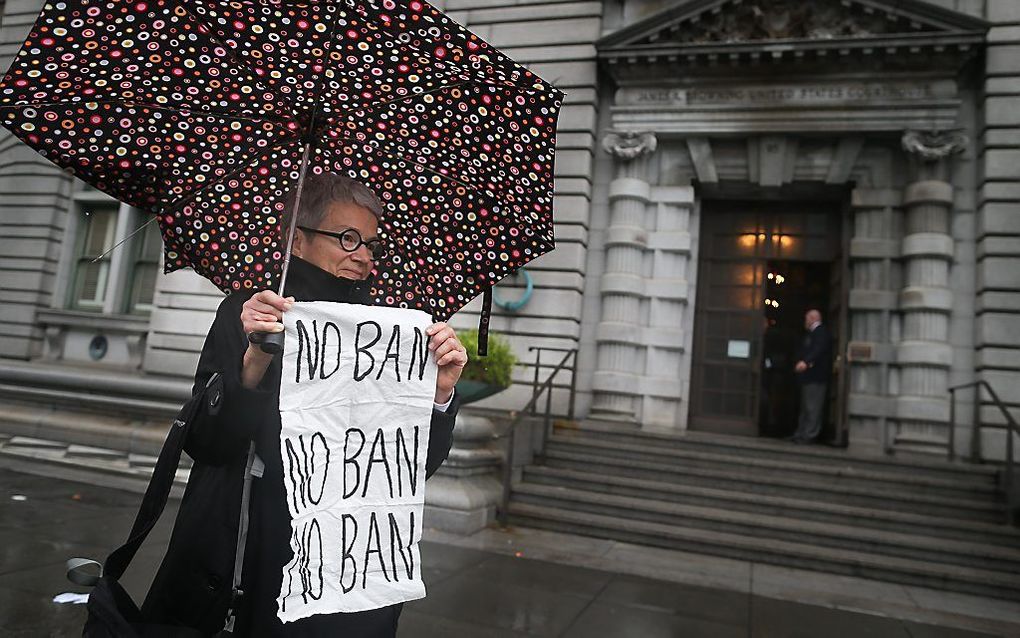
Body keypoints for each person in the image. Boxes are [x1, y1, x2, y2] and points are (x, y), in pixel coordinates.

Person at [141, 172, 468, 637]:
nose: (363, 256)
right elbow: (208, 444)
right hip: (251, 554)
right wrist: (254, 356)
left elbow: (410, 464)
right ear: (297, 239)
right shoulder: (249, 311)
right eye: (348, 238)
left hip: (346, 566)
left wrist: (438, 396)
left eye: (371, 244)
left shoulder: (388, 331)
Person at [789, 308, 831, 444]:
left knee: (813, 407)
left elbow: (818, 350)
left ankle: (809, 435)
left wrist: (806, 362)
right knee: (806, 406)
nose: (805, 321)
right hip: (809, 377)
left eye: (807, 318)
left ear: (813, 318)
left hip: (815, 376)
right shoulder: (813, 333)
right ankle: (801, 433)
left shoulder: (820, 332)